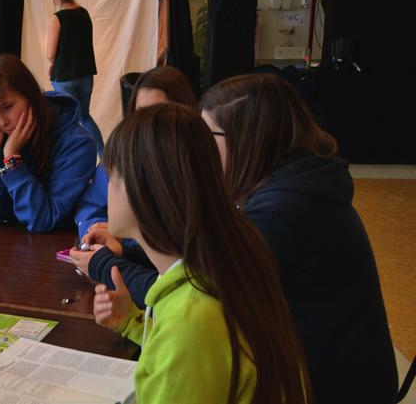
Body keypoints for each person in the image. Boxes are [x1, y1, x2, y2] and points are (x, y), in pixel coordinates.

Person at [83, 74, 398, 403]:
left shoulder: (275, 220)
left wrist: (107, 264)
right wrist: (133, 317)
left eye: (205, 135)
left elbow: (193, 317)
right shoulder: (294, 194)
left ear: (247, 140)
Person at [97, 103, 311, 403]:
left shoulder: (192, 318)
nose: (106, 188)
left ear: (141, 189)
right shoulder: (227, 255)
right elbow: (200, 360)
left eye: (112, 176)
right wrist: (131, 321)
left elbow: (192, 343)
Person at [72, 65, 196, 286]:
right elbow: (91, 205)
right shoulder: (123, 154)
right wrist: (96, 230)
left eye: (157, 114)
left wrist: (125, 241)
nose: (145, 125)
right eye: (139, 113)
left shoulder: (191, 170)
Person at [0, 54, 96, 233]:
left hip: (58, 250)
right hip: (15, 249)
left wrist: (12, 161)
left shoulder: (77, 144)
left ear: (31, 95)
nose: (2, 122)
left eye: (7, 107)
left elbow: (44, 220)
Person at [44, 0, 101, 155]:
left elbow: (50, 54)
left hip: (64, 76)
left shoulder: (57, 18)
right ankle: (105, 157)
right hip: (85, 75)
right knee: (84, 116)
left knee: (67, 121)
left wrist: (51, 64)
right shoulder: (84, 13)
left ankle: (71, 160)